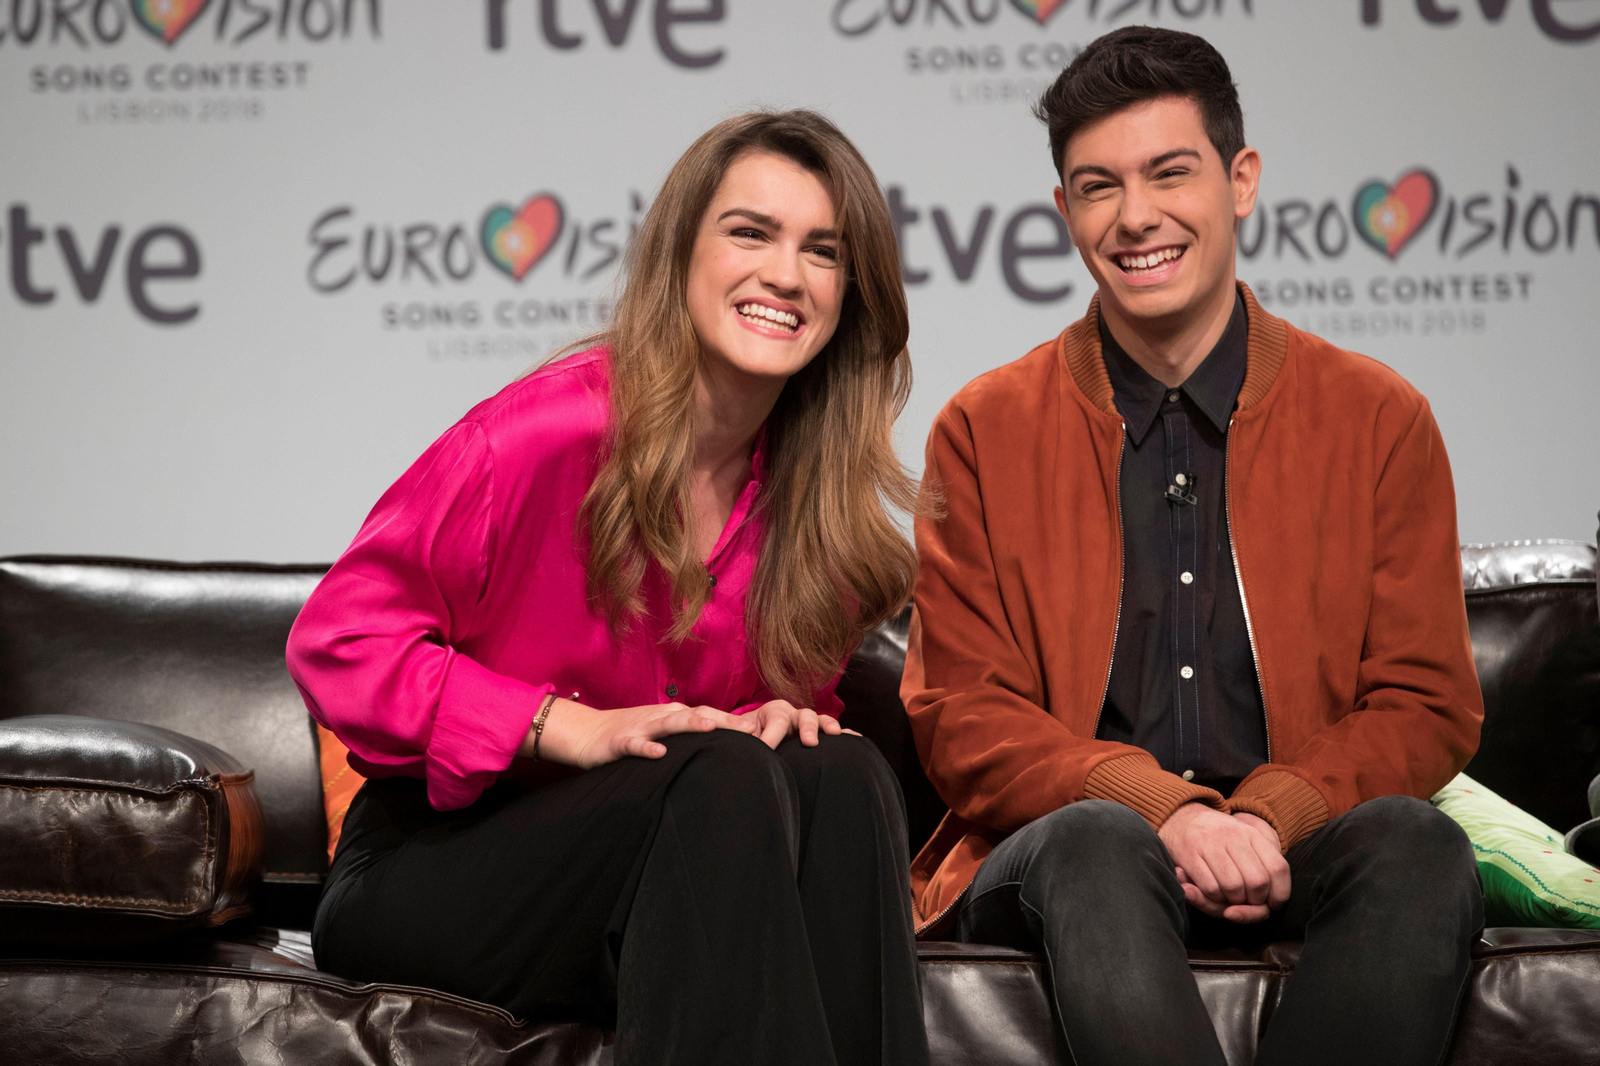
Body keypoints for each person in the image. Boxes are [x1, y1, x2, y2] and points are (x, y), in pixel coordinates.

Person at [287, 110, 931, 1066]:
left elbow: (756, 742)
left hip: (671, 863)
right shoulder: (540, 438)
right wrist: (563, 724)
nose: (786, 276)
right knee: (716, 781)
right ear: (680, 255)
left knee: (841, 776)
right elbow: (337, 645)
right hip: (431, 867)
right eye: (751, 233)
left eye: (823, 251)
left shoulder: (814, 511)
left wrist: (777, 717)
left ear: (850, 293)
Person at [903, 27, 1484, 1066]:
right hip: (1068, 851)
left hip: (1292, 842)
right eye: (1096, 187)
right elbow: (962, 714)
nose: (1135, 218)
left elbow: (1426, 700)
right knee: (1096, 838)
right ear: (1063, 213)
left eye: (1169, 173)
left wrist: (1265, 813)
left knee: (1417, 842)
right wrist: (1160, 807)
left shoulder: (1378, 418)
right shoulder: (983, 428)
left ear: (1241, 179)